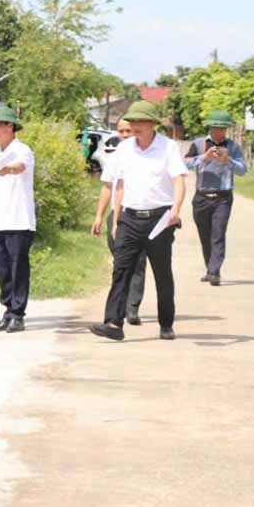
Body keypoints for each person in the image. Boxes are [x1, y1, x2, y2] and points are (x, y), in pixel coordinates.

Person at [89, 100, 187, 342]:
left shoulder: (168, 147)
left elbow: (178, 180)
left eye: (141, 121)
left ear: (153, 124)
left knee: (162, 272)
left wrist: (176, 209)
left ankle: (166, 323)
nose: (135, 126)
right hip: (130, 218)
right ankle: (113, 323)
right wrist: (115, 219)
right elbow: (118, 184)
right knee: (120, 270)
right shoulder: (124, 149)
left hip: (159, 218)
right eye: (132, 121)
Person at [0, 106, 36, 333]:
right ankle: (8, 311)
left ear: (10, 126)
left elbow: (20, 166)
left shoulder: (22, 149)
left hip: (19, 221)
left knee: (17, 269)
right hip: (0, 221)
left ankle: (18, 314)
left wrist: (9, 169)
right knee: (2, 269)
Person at [90, 118, 149, 325]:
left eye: (128, 131)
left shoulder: (145, 155)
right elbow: (107, 187)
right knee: (121, 264)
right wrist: (99, 216)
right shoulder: (116, 157)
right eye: (121, 131)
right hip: (117, 215)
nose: (125, 134)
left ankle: (131, 308)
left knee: (138, 263)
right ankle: (120, 305)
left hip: (138, 215)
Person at [184, 109, 246, 287]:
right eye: (215, 127)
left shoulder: (233, 147)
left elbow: (242, 170)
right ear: (210, 127)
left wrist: (228, 160)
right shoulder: (198, 144)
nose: (218, 131)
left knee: (218, 234)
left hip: (223, 197)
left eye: (222, 128)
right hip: (201, 196)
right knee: (205, 236)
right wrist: (204, 157)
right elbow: (183, 163)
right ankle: (209, 268)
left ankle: (214, 272)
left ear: (226, 129)